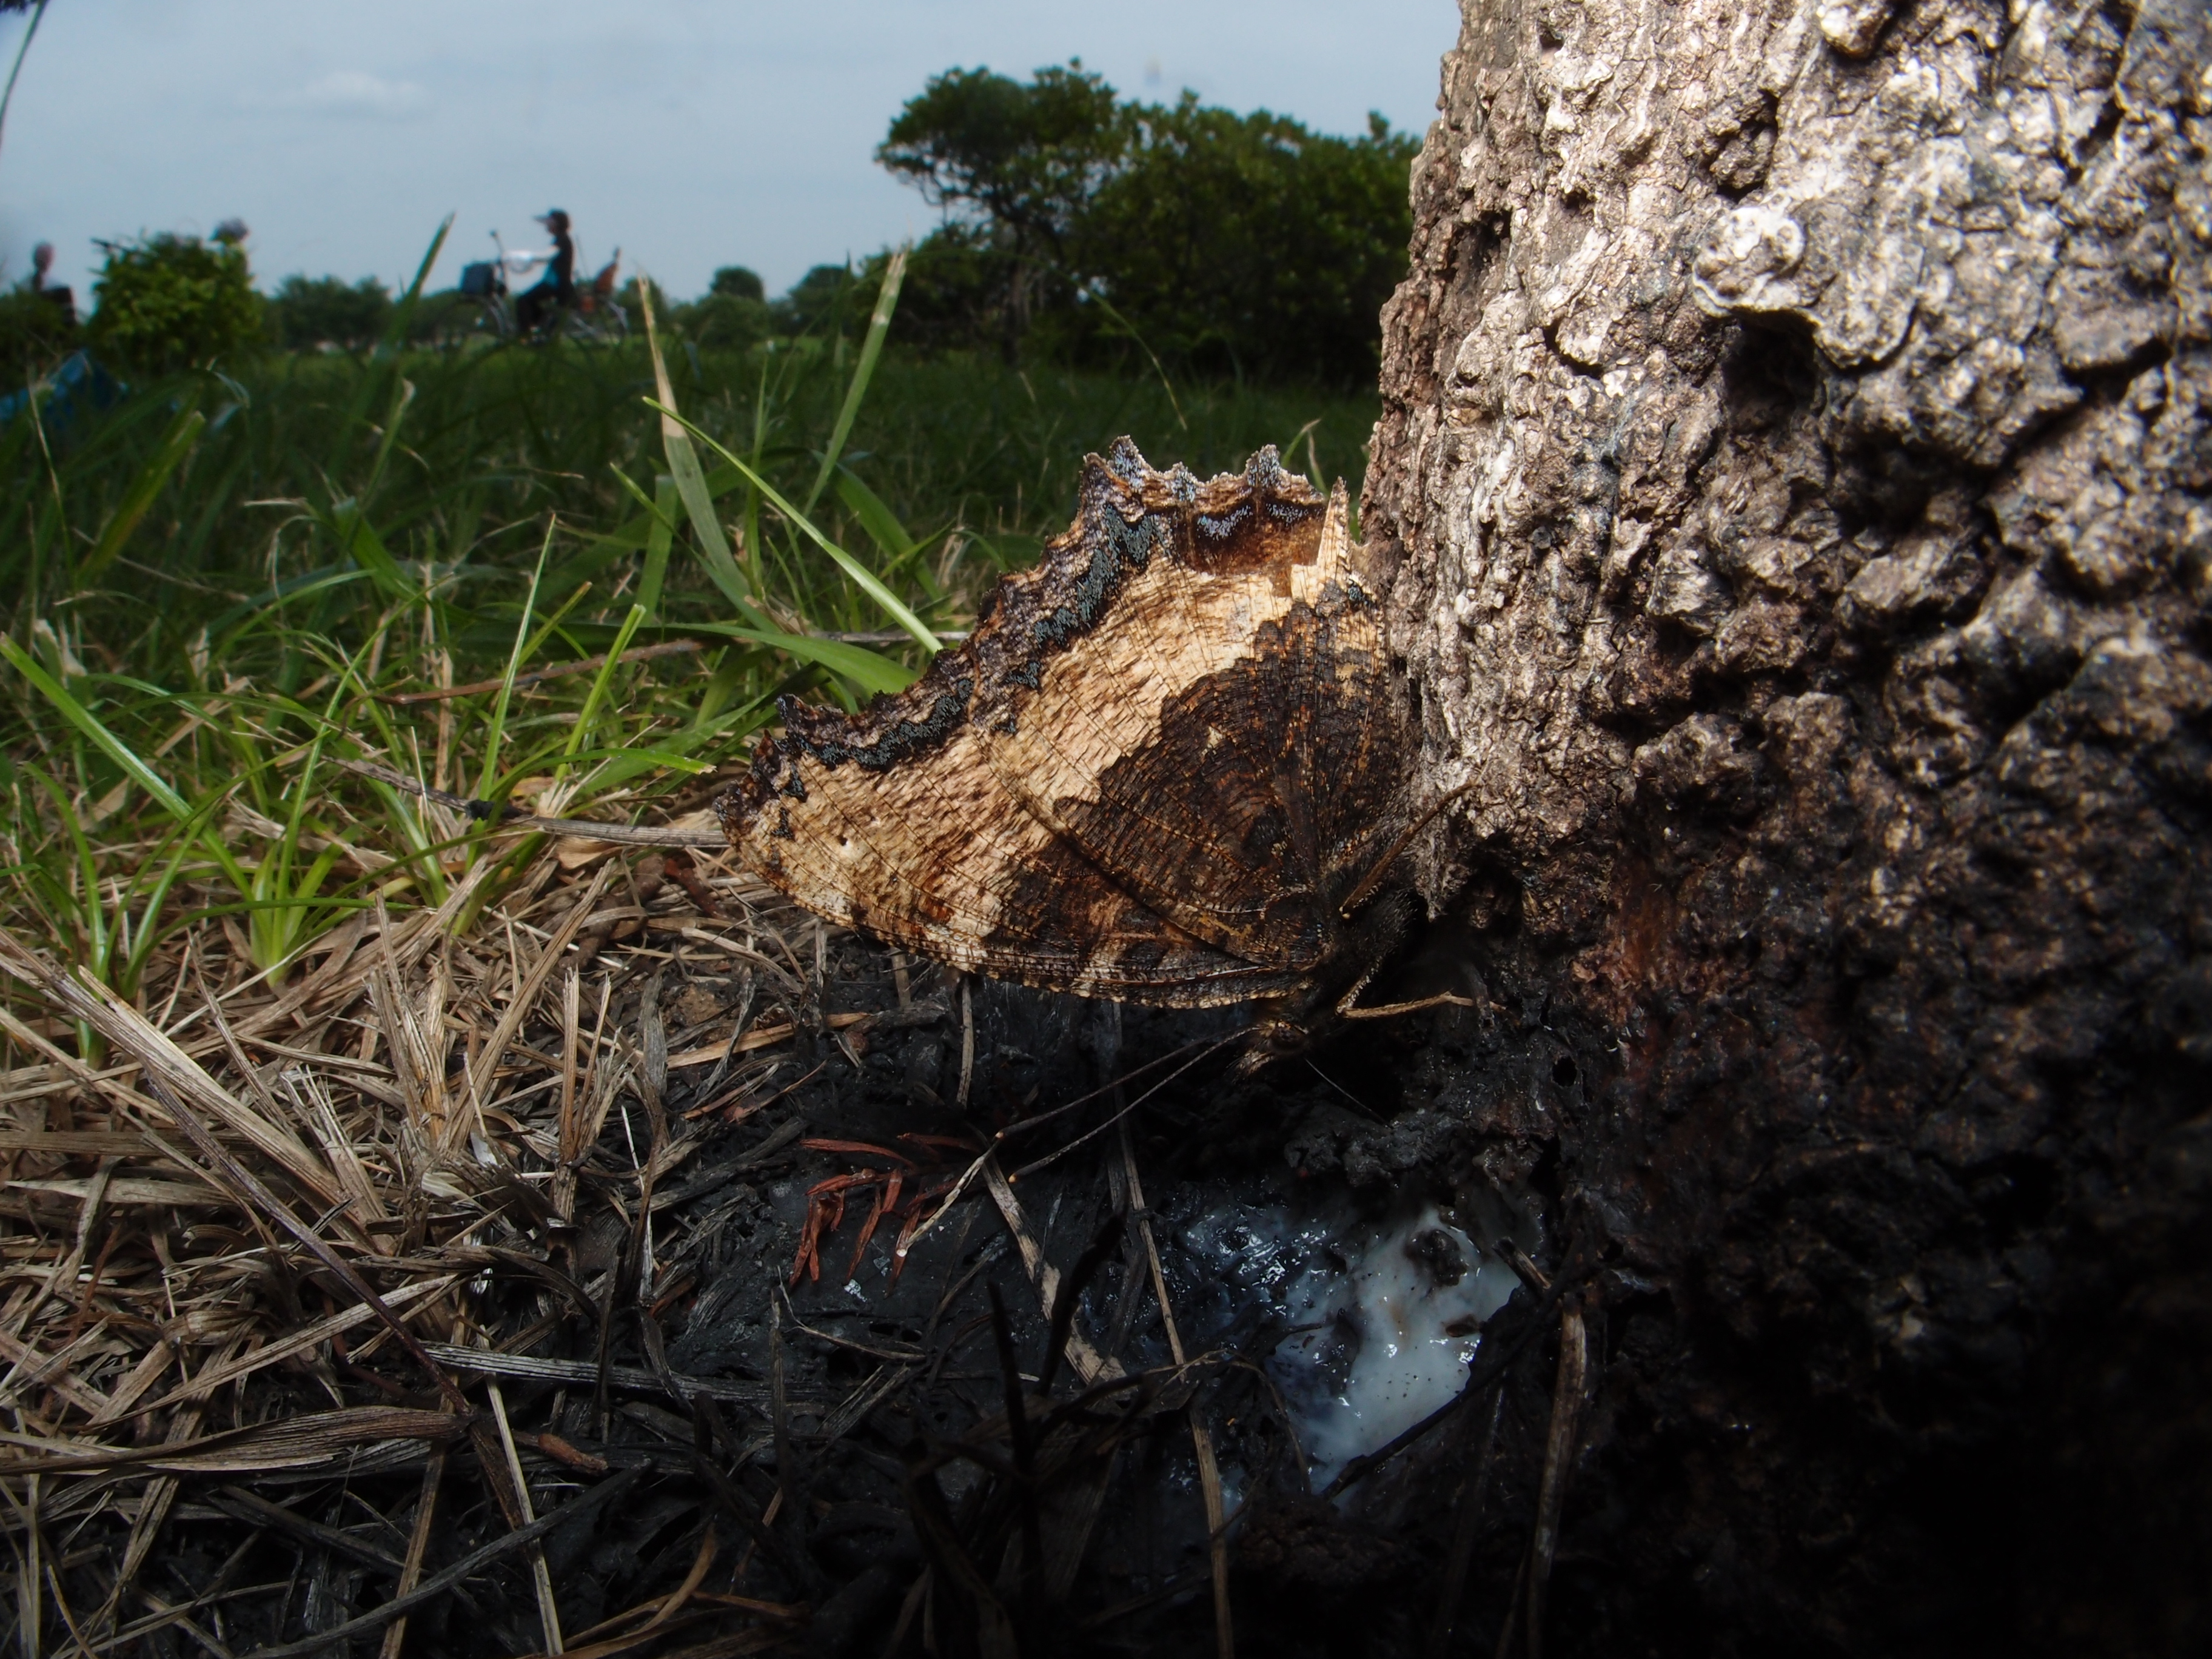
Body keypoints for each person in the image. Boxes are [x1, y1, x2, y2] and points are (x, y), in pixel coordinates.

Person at [514, 208, 575, 338]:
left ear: (555, 224)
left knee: (523, 301)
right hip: (558, 284)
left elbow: (549, 255)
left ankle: (525, 336)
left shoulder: (562, 240)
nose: (546, 226)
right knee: (531, 303)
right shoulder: (563, 239)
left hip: (556, 285)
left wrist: (529, 258)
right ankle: (541, 327)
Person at [28, 241, 73, 321]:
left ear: (51, 259)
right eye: (41, 255)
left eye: (46, 256)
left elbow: (69, 318)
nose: (43, 259)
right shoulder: (24, 284)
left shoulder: (61, 289)